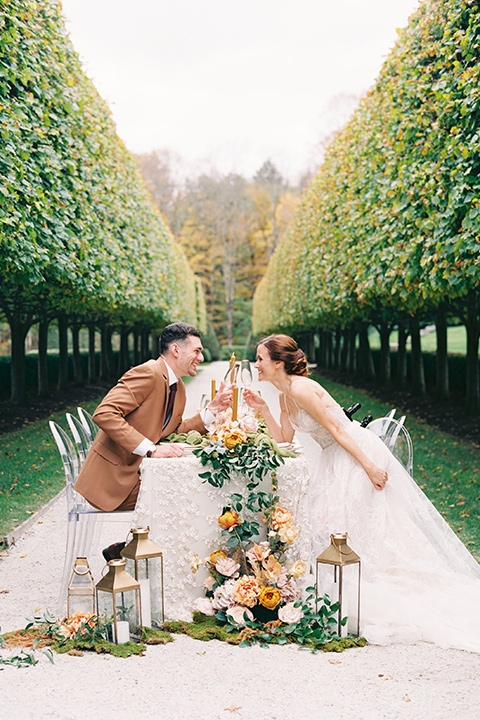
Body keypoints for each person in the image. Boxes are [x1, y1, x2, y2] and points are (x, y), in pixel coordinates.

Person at [244, 334, 480, 652]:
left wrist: (370, 466)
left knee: (352, 527)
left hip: (355, 453)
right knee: (332, 526)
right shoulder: (284, 394)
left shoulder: (300, 388)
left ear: (277, 362)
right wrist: (262, 410)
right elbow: (285, 438)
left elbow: (339, 429)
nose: (255, 364)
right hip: (335, 457)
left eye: (259, 358)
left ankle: (374, 589)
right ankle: (350, 588)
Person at [74, 322, 232, 516]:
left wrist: (213, 410)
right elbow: (105, 413)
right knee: (191, 491)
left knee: (193, 486)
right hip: (113, 484)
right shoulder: (148, 372)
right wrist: (151, 449)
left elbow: (173, 432)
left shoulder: (178, 387)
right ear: (175, 349)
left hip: (140, 473)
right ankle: (135, 546)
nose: (201, 357)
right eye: (197, 351)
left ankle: (127, 546)